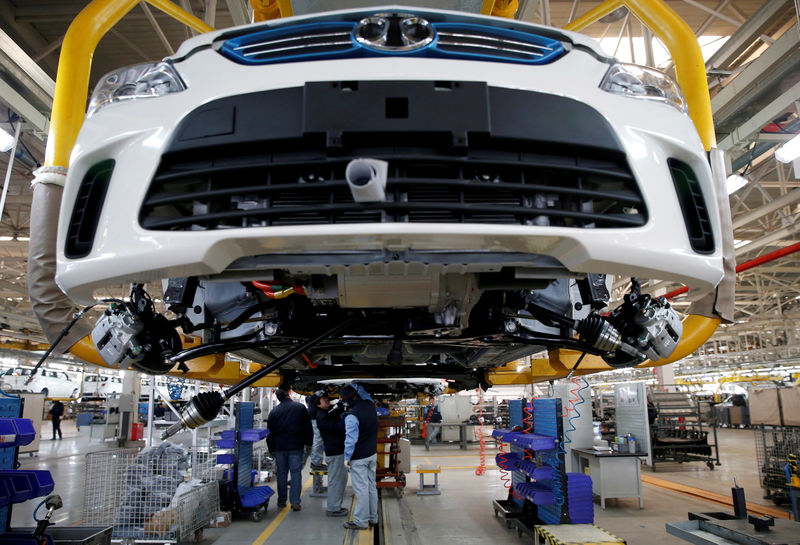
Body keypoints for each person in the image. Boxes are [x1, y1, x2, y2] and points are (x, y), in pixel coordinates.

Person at [266, 387, 313, 511]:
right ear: (288, 394)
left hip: (280, 448)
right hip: (296, 447)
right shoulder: (300, 408)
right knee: (296, 474)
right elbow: (308, 427)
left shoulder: (274, 412)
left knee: (281, 474)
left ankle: (281, 500)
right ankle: (295, 502)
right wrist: (309, 444)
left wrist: (271, 449)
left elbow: (270, 433)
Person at [341, 384, 378, 530]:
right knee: (371, 487)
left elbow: (350, 440)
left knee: (361, 489)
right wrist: (355, 383)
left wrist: (346, 457)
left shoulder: (352, 416)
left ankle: (361, 521)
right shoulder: (369, 404)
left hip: (359, 458)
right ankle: (373, 517)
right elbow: (364, 392)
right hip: (372, 454)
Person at [313, 391, 349, 517]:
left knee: (341, 478)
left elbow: (333, 413)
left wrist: (339, 406)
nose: (326, 399)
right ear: (318, 404)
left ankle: (336, 506)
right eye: (323, 399)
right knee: (335, 481)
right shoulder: (321, 417)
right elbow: (337, 427)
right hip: (334, 453)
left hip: (338, 451)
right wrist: (347, 418)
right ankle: (333, 508)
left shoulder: (325, 413)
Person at [306, 394, 326, 470]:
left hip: (315, 418)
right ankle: (315, 463)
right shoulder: (316, 395)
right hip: (315, 419)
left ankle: (318, 462)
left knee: (319, 442)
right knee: (317, 441)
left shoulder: (314, 395)